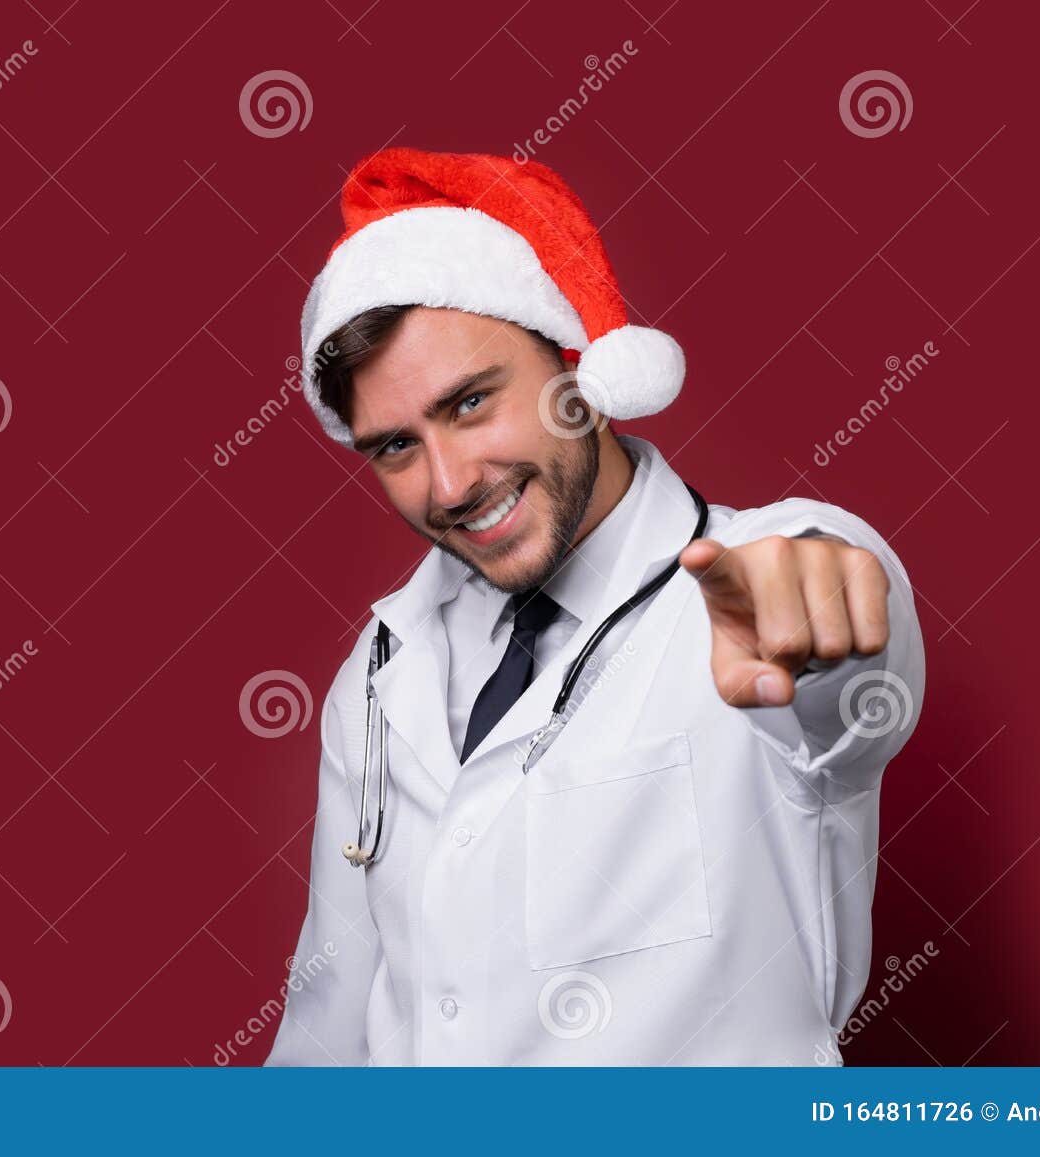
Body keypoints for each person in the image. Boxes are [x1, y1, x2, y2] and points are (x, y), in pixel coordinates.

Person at [264, 147, 924, 1065]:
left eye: (471, 403)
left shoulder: (743, 590)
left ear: (578, 367)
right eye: (395, 448)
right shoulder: (376, 677)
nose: (449, 483)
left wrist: (825, 600)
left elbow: (843, 640)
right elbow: (327, 1029)